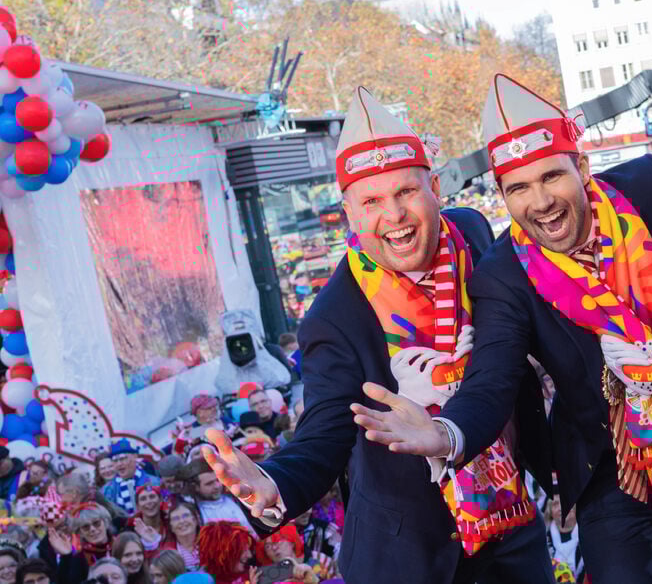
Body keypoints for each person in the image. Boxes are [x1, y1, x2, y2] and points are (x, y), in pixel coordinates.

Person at [352, 74, 652, 582]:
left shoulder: (651, 188)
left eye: (552, 178)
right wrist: (445, 434)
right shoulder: (504, 275)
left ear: (582, 168)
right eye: (518, 188)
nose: (540, 202)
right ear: (502, 196)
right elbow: (492, 380)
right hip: (607, 460)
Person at [203, 86, 554, 583]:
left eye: (406, 192)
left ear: (435, 187)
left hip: (511, 534)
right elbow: (325, 429)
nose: (394, 216)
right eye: (372, 201)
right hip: (406, 557)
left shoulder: (472, 234)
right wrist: (273, 481)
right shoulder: (333, 316)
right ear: (349, 213)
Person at [181, 459, 255, 535]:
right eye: (209, 484)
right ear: (195, 487)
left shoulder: (237, 499)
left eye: (217, 480)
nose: (217, 486)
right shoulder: (193, 511)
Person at [102, 441, 159, 516]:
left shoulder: (155, 482)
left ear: (135, 457)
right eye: (115, 460)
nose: (119, 464)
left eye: (123, 458)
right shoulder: (107, 491)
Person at [140, 501, 199, 571]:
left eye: (186, 516)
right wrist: (151, 544)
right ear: (171, 527)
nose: (182, 521)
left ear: (195, 520)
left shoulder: (211, 542)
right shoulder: (165, 550)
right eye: (176, 519)